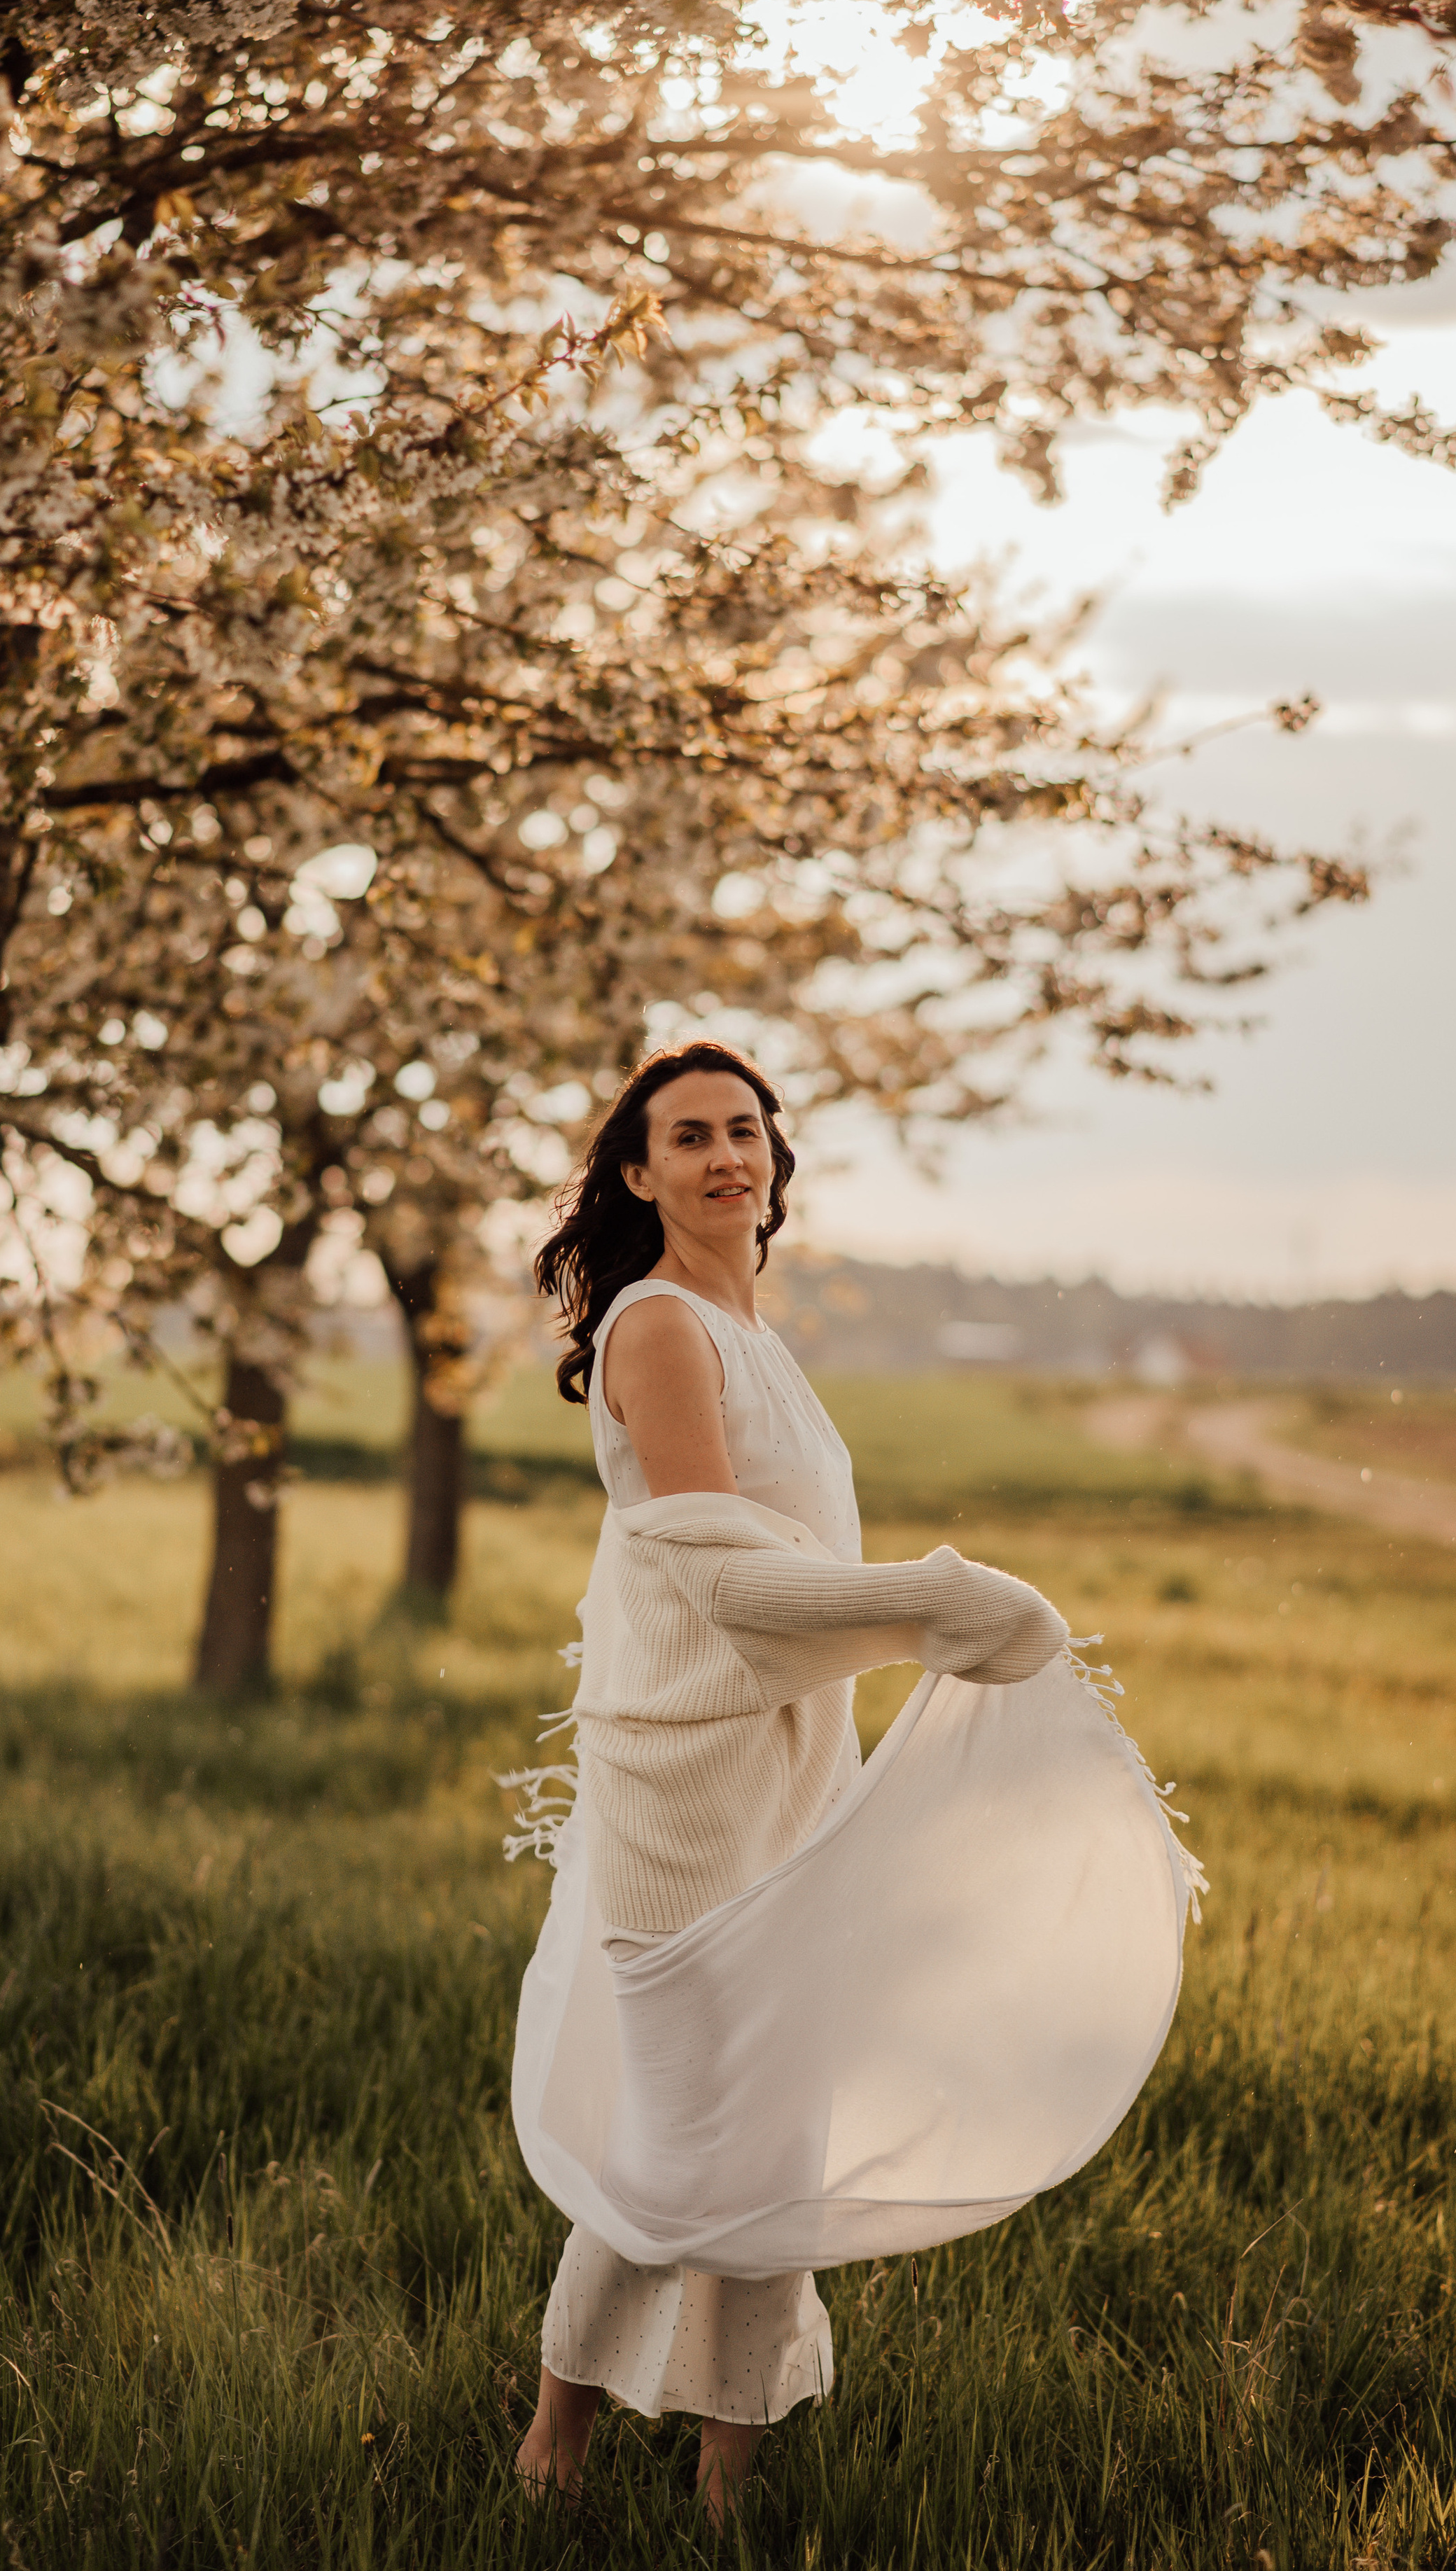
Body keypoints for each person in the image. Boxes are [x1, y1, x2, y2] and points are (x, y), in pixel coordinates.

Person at [510, 1040, 1200, 2522]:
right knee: (686, 2140)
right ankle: (552, 2448)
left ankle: (725, 2481)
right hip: (679, 1796)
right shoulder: (657, 1328)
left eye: (742, 1130)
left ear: (773, 1157)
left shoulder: (752, 1333)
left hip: (788, 1775)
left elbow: (789, 1579)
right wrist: (943, 1602)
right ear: (636, 1175)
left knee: (775, 2131)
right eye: (685, 1137)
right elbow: (733, 1590)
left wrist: (926, 1619)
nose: (721, 1156)